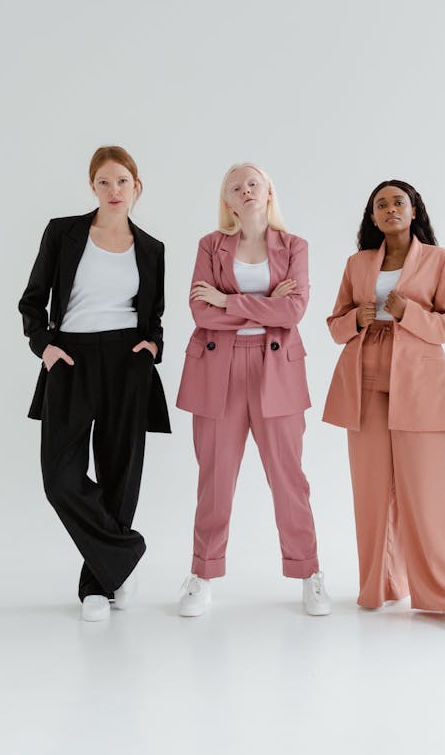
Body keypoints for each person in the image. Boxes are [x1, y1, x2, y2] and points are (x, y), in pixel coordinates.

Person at [18, 145, 171, 622]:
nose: (113, 190)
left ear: (136, 186)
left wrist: (152, 347)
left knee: (119, 474)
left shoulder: (151, 249)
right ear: (92, 186)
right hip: (70, 358)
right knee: (59, 477)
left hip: (128, 361)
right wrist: (44, 346)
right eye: (104, 181)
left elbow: (154, 315)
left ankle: (99, 585)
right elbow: (32, 301)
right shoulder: (62, 233)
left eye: (122, 181)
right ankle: (126, 552)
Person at [175, 163, 330, 617]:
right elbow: (201, 312)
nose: (245, 190)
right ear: (227, 200)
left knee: (288, 477)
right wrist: (266, 305)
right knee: (215, 478)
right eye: (235, 186)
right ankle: (202, 574)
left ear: (268, 192)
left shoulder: (294, 246)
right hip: (216, 370)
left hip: (276, 369)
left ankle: (308, 572)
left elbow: (294, 310)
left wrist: (229, 301)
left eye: (253, 183)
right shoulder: (210, 245)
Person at [323, 180, 445, 630]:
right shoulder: (357, 264)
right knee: (371, 492)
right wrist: (356, 319)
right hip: (363, 379)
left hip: (419, 383)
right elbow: (334, 325)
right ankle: (382, 585)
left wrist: (409, 312)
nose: (390, 209)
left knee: (429, 494)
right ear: (372, 217)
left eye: (398, 202)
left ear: (414, 211)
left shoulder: (441, 260)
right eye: (381, 204)